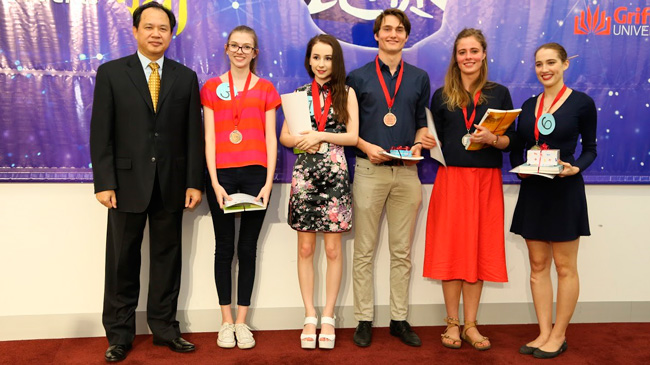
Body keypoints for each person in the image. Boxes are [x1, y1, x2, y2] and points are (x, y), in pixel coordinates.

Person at [89, 2, 203, 362]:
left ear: (172, 34)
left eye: (163, 28)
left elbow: (192, 135)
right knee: (122, 261)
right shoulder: (111, 73)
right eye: (149, 27)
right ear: (135, 31)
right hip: (124, 185)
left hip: (171, 183)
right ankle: (119, 335)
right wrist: (104, 182)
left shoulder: (184, 77)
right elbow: (100, 133)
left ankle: (165, 329)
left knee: (167, 259)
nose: (156, 34)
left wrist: (193, 182)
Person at [346, 8, 436, 348]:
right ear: (376, 34)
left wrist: (418, 141)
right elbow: (348, 128)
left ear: (406, 35)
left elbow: (420, 120)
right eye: (387, 29)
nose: (393, 34)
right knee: (365, 251)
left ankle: (399, 319)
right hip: (369, 171)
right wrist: (367, 147)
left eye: (399, 29)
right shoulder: (357, 77)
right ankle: (364, 319)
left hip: (408, 172)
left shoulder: (419, 77)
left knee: (402, 252)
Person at [423, 28, 513, 351]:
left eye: (474, 51)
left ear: (484, 54)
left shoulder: (499, 94)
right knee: (451, 249)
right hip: (451, 180)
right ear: (455, 57)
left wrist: (494, 139)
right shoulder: (441, 96)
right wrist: (425, 141)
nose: (468, 57)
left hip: (486, 182)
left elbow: (510, 141)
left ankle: (471, 323)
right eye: (462, 52)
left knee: (478, 249)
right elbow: (433, 137)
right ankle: (452, 323)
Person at [510, 43, 597, 359]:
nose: (544, 69)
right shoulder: (529, 104)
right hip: (534, 190)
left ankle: (559, 335)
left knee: (564, 267)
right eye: (538, 64)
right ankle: (544, 332)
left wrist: (575, 168)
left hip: (564, 190)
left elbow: (591, 148)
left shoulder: (582, 103)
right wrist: (519, 169)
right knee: (537, 265)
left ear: (564, 65)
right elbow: (519, 144)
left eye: (550, 63)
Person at [200, 25, 280, 350]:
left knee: (247, 250)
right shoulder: (210, 88)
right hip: (221, 176)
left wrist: (269, 182)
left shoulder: (266, 89)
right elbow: (208, 138)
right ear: (226, 48)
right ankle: (225, 322)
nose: (240, 51)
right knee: (224, 248)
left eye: (247, 47)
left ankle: (243, 322)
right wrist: (215, 181)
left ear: (255, 53)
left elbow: (271, 138)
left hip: (256, 176)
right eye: (235, 45)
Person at [279, 34, 359, 350]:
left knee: (334, 250)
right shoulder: (298, 95)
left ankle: (329, 316)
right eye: (316, 57)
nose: (321, 64)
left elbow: (353, 136)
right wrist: (301, 140)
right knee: (305, 249)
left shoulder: (347, 93)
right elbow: (285, 136)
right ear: (309, 60)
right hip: (305, 175)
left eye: (327, 58)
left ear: (335, 61)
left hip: (335, 174)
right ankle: (309, 315)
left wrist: (319, 135)